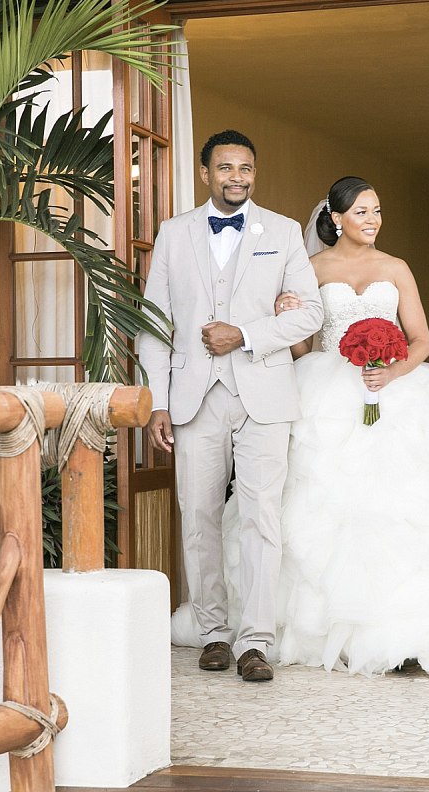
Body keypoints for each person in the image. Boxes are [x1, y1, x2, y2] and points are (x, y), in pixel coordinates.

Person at [173, 176, 429, 677]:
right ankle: (310, 630)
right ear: (337, 218)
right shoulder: (311, 268)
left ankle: (401, 631)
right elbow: (302, 344)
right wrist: (287, 314)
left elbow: (423, 339)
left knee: (394, 508)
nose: (373, 220)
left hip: (392, 396)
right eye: (363, 211)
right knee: (317, 507)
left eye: (378, 211)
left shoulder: (396, 268)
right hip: (323, 393)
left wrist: (389, 372)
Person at [138, 129, 323, 682]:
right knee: (197, 516)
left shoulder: (285, 232)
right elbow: (154, 325)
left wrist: (243, 333)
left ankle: (255, 642)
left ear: (253, 173)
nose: (236, 178)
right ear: (206, 174)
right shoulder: (174, 235)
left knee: (261, 517)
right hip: (194, 398)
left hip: (264, 392)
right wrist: (157, 402)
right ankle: (214, 633)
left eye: (245, 168)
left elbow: (310, 313)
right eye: (225, 168)